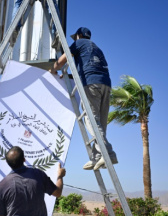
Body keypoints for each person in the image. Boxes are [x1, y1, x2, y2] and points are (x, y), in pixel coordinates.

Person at [49, 27, 118, 171]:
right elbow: (87, 68)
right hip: (105, 84)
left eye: (76, 37)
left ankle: (108, 153)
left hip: (91, 83)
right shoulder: (96, 48)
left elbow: (63, 60)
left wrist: (53, 69)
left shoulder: (79, 43)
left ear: (79, 36)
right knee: (100, 123)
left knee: (90, 119)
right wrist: (68, 76)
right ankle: (97, 156)